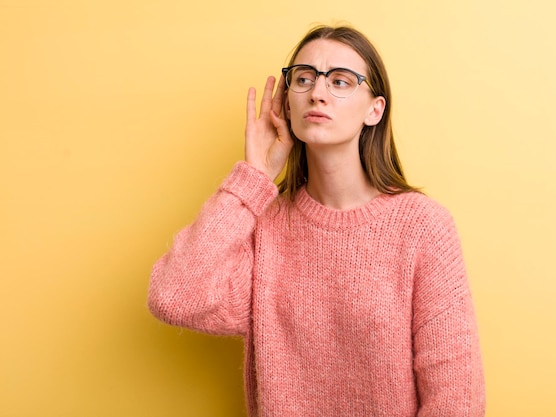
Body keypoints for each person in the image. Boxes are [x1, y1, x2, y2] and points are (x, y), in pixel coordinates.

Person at [148, 25, 486, 416]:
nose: (317, 92)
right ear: (287, 104)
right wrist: (254, 177)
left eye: (340, 81)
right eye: (304, 78)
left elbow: (456, 400)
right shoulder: (265, 227)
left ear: (374, 110)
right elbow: (175, 297)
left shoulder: (422, 227)